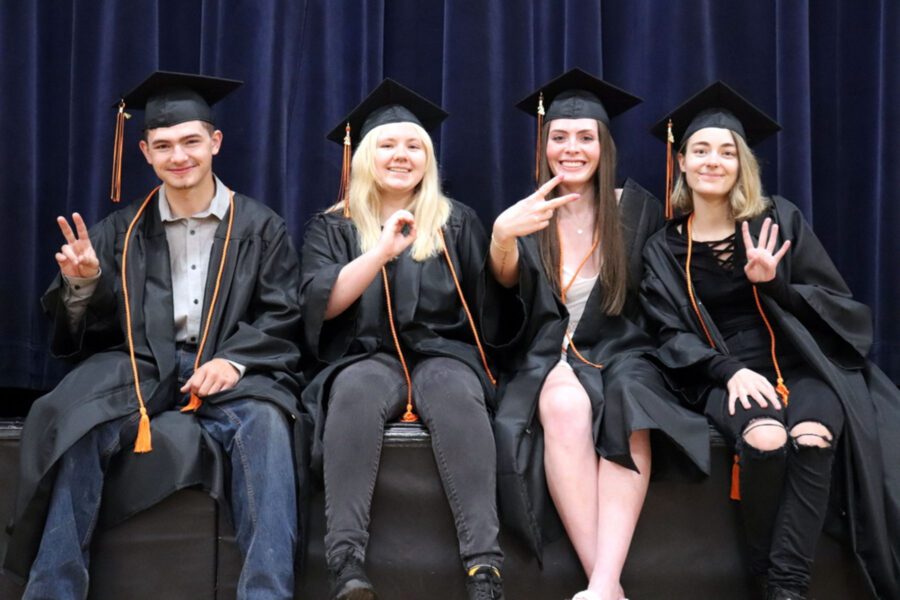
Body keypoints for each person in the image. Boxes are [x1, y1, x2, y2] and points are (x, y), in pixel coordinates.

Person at [2, 71, 305, 600]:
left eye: (191, 141)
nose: (178, 155)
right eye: (163, 145)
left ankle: (266, 594)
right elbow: (86, 328)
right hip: (141, 365)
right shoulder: (120, 228)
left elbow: (283, 312)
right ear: (144, 151)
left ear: (215, 142)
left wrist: (234, 361)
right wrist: (82, 283)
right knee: (77, 420)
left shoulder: (260, 226)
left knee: (268, 426)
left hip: (229, 374)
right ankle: (52, 590)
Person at [640, 81, 900, 600]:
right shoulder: (664, 247)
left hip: (805, 365)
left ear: (742, 165)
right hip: (722, 372)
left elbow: (835, 302)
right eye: (701, 150)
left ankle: (786, 588)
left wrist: (774, 284)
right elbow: (667, 332)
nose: (714, 161)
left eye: (727, 151)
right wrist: (729, 372)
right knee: (766, 439)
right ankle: (765, 570)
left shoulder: (778, 220)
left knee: (811, 436)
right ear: (683, 164)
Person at [488, 68, 710, 600]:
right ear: (544, 146)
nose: (571, 148)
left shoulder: (635, 210)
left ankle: (603, 586)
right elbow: (502, 299)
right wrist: (501, 237)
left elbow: (661, 299)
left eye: (585, 137)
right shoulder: (527, 214)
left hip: (622, 348)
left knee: (631, 397)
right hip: (547, 354)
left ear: (603, 145)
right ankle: (606, 585)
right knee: (562, 405)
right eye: (559, 137)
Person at [299, 79, 507, 600]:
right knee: (355, 394)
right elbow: (322, 304)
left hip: (444, 354)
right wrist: (380, 252)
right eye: (388, 145)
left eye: (414, 146)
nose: (401, 155)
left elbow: (491, 312)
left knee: (458, 394)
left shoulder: (457, 223)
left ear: (429, 159)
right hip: (363, 357)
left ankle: (485, 569)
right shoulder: (332, 228)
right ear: (364, 156)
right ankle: (345, 565)